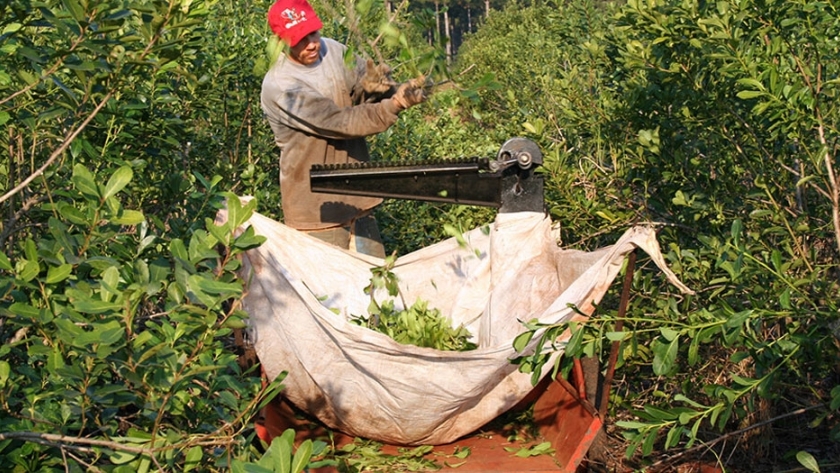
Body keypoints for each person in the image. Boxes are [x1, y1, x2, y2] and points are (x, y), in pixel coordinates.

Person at [260, 0, 426, 258]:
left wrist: (379, 88)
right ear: (281, 42)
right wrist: (395, 104)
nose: (312, 44)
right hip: (316, 211)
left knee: (377, 287)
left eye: (313, 33)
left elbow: (363, 94)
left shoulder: (334, 51)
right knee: (327, 296)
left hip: (357, 197)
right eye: (300, 39)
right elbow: (339, 122)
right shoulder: (282, 86)